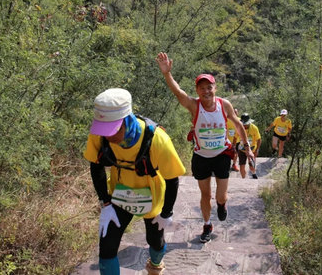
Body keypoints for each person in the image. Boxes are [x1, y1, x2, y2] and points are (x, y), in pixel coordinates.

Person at [83, 88, 186, 275]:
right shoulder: (100, 135)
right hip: (119, 195)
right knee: (106, 247)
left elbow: (172, 179)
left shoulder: (157, 140)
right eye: (104, 131)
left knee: (154, 241)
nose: (108, 137)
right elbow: (96, 165)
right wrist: (105, 203)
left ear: (127, 120)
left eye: (113, 131)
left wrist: (166, 213)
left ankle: (155, 265)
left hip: (152, 197)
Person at [155, 52, 254, 243]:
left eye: (209, 87)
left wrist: (246, 146)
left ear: (215, 88)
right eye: (202, 88)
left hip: (222, 155)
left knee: (221, 196)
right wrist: (167, 73)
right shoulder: (194, 105)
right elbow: (178, 93)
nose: (206, 91)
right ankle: (207, 224)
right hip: (201, 157)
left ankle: (222, 205)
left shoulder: (224, 104)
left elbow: (238, 124)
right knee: (205, 194)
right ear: (197, 90)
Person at [233, 113, 261, 179]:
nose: (245, 125)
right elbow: (235, 137)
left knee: (251, 165)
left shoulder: (254, 128)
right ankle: (243, 179)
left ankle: (254, 174)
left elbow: (259, 139)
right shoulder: (239, 127)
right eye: (244, 124)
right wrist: (234, 146)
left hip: (252, 149)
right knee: (242, 167)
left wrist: (257, 150)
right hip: (242, 149)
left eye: (246, 124)